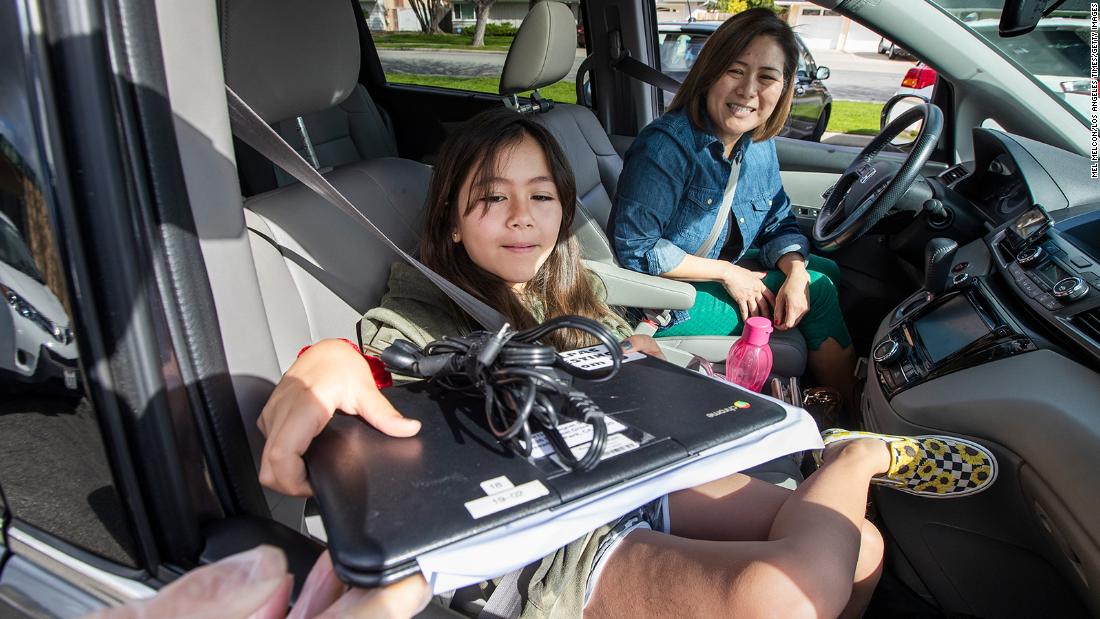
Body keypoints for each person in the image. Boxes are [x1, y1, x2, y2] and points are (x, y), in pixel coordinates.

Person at [257, 108, 996, 618]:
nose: (523, 215)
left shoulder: (561, 285)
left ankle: (836, 459)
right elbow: (385, 363)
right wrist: (328, 360)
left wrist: (629, 352)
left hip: (628, 468)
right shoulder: (428, 305)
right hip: (555, 529)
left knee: (862, 547)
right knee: (785, 590)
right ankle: (854, 452)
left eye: (542, 196)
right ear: (451, 218)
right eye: (492, 198)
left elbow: (604, 343)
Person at [608, 9, 858, 407]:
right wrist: (728, 272)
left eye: (767, 77)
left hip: (703, 278)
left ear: (784, 87)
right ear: (709, 74)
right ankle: (847, 416)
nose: (748, 91)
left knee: (819, 271)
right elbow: (637, 247)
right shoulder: (665, 145)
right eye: (735, 71)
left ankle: (825, 396)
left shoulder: (757, 145)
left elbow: (779, 222)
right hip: (663, 303)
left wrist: (794, 271)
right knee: (822, 290)